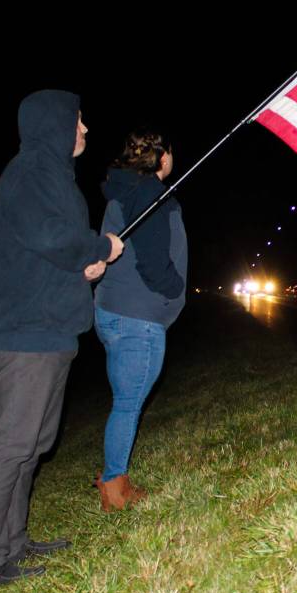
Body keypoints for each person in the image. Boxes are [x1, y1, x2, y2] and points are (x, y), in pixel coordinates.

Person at [0, 89, 124, 589]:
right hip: (25, 334)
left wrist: (87, 268)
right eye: (78, 121)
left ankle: (13, 542)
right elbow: (53, 238)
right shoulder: (31, 171)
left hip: (51, 330)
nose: (84, 130)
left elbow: (50, 253)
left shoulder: (54, 178)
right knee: (12, 443)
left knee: (33, 445)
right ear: (54, 123)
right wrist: (101, 245)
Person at [93, 126, 187, 511]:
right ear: (163, 157)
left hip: (113, 313)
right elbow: (152, 261)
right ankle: (114, 487)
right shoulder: (148, 192)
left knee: (124, 400)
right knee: (129, 403)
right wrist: (174, 287)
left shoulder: (124, 189)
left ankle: (114, 476)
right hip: (137, 318)